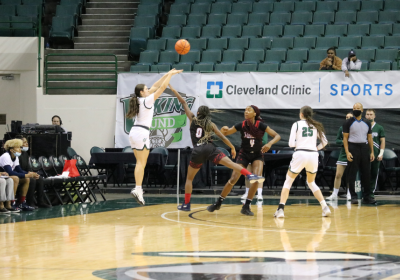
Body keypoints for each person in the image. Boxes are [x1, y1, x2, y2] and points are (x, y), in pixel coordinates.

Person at [169, 84, 265, 216]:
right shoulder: (211, 124)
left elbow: (183, 102)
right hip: (209, 149)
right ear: (208, 114)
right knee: (232, 164)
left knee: (189, 179)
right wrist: (231, 147)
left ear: (198, 113)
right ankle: (249, 175)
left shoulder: (192, 119)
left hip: (197, 151)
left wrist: (174, 90)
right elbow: (222, 137)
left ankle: (186, 204)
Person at [207, 105, 281, 213]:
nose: (246, 112)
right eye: (245, 110)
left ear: (255, 113)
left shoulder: (260, 125)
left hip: (257, 154)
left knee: (256, 179)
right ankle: (218, 202)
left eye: (249, 110)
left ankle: (246, 206)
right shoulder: (241, 125)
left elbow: (277, 136)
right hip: (244, 154)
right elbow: (226, 133)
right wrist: (223, 130)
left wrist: (269, 143)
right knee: (233, 178)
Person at [128, 69, 183, 205]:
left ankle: (138, 189)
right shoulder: (147, 101)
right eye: (146, 89)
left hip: (134, 132)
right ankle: (138, 189)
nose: (149, 89)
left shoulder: (140, 100)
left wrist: (168, 73)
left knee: (139, 163)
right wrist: (170, 76)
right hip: (142, 133)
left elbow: (156, 85)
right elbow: (162, 87)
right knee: (141, 163)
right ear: (142, 92)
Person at [274, 106, 330, 218]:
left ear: (301, 114)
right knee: (311, 182)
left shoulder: (297, 124)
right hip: (313, 155)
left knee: (288, 181)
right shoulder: (316, 125)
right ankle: (325, 207)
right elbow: (325, 142)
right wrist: (315, 148)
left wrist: (300, 144)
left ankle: (280, 210)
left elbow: (291, 144)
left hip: (300, 153)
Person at [343, 103, 376, 205]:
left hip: (364, 147)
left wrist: (372, 152)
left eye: (358, 108)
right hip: (353, 147)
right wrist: (347, 152)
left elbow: (370, 138)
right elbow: (345, 138)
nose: (356, 110)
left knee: (366, 173)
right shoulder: (348, 122)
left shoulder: (367, 122)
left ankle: (367, 197)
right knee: (352, 173)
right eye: (354, 108)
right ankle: (353, 196)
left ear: (362, 110)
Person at [15, 135, 51, 208]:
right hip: (18, 175)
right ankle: (29, 202)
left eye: (27, 142)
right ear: (19, 144)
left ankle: (40, 201)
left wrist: (33, 173)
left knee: (40, 178)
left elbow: (28, 167)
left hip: (26, 174)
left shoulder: (25, 154)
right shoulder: (16, 154)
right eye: (24, 142)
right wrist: (30, 175)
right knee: (32, 180)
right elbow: (16, 169)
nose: (27, 144)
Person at [0, 139, 36, 211]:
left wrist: (30, 174)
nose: (20, 149)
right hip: (3, 175)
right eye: (17, 147)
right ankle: (11, 202)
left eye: (20, 147)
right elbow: (10, 172)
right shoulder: (6, 156)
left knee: (26, 179)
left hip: (7, 177)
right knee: (15, 178)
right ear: (11, 150)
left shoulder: (15, 157)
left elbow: (19, 170)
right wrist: (26, 175)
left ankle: (21, 202)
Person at [326, 112, 353, 201]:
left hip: (353, 153)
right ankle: (334, 194)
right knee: (338, 174)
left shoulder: (356, 128)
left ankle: (350, 193)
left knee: (350, 176)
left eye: (350, 117)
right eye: (346, 117)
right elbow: (337, 140)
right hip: (343, 153)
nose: (348, 118)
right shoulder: (342, 128)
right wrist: (343, 142)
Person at [241, 133, 270, 201]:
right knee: (247, 174)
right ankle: (247, 192)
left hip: (258, 153)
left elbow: (264, 141)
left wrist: (253, 141)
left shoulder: (262, 128)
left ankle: (259, 194)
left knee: (259, 175)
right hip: (247, 153)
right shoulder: (246, 128)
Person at [365, 109, 385, 199]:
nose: (369, 116)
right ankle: (364, 192)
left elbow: (382, 141)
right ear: (365, 116)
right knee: (364, 173)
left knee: (373, 173)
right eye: (367, 114)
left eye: (371, 114)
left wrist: (381, 153)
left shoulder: (379, 128)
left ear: (374, 116)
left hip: (376, 154)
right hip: (364, 153)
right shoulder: (363, 126)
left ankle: (371, 192)